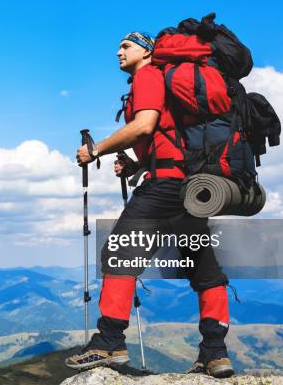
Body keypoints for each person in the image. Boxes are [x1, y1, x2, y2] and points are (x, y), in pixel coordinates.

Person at [65, 31, 234, 378]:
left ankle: (109, 341)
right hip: (189, 188)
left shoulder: (147, 75)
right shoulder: (165, 80)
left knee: (118, 253)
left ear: (146, 50)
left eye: (125, 46)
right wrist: (137, 165)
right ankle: (215, 352)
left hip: (163, 190)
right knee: (203, 266)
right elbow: (166, 138)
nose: (117, 52)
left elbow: (145, 125)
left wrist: (97, 150)